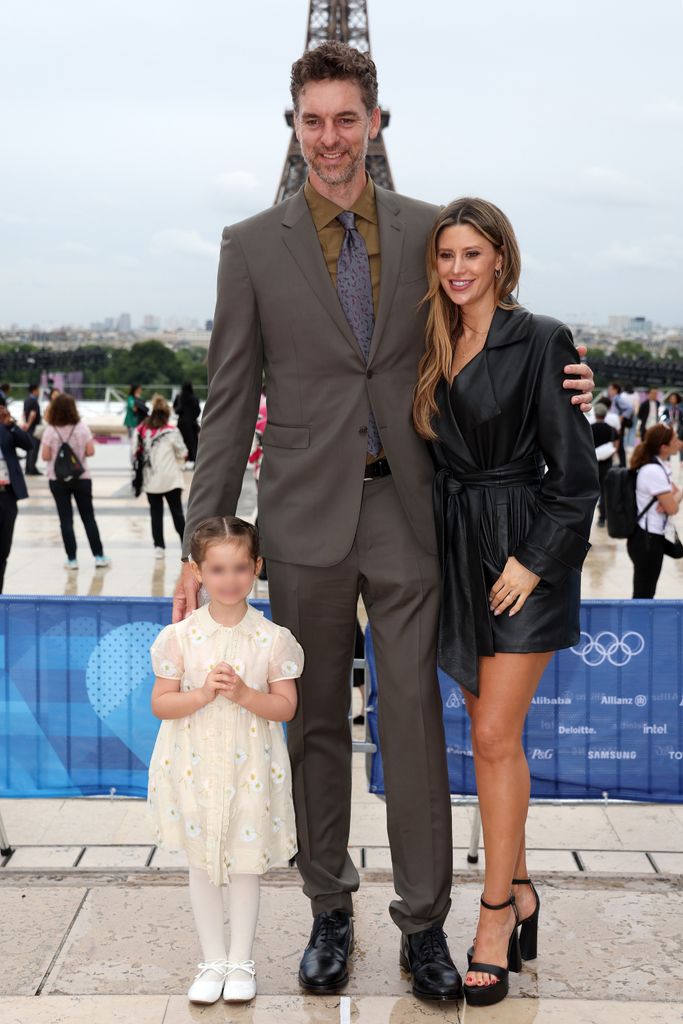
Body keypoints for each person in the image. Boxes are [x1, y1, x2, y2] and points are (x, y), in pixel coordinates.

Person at [172, 42, 595, 1001]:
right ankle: (329, 909)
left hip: (412, 512)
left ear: (374, 121)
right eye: (312, 120)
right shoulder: (249, 245)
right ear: (293, 126)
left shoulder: (423, 229)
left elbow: (492, 317)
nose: (329, 138)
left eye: (345, 118)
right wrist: (204, 539)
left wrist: (570, 375)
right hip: (302, 516)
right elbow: (230, 397)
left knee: (409, 721)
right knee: (313, 722)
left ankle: (422, 924)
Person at [414, 198, 599, 1006]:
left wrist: (533, 562)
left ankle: (492, 914)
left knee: (492, 736)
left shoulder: (542, 339)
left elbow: (579, 477)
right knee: (493, 741)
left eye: (471, 254)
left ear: (499, 258)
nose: (457, 268)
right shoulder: (428, 339)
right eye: (446, 255)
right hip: (454, 552)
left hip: (519, 552)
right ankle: (520, 887)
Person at [148, 516, 303, 1005]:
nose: (230, 579)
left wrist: (241, 693)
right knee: (201, 863)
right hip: (194, 767)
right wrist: (200, 695)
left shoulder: (272, 639)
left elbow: (285, 707)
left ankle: (241, 961)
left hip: (250, 771)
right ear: (198, 571)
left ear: (256, 567)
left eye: (240, 567)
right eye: (217, 569)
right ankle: (211, 959)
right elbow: (161, 703)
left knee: (244, 865)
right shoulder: (181, 637)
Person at [40, 393, 111, 570]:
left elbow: (45, 455)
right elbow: (90, 451)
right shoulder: (81, 427)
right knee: (88, 518)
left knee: (65, 520)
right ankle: (99, 556)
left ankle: (72, 559)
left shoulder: (50, 429)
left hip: (57, 479)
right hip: (82, 478)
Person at [626, 423, 682, 598]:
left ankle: (638, 625)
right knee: (643, 594)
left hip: (650, 538)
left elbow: (675, 495)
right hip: (647, 541)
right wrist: (674, 497)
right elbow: (673, 508)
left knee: (645, 591)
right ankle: (636, 626)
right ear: (663, 447)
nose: (679, 443)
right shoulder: (653, 471)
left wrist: (675, 495)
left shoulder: (658, 467)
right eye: (675, 440)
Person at [136, 394, 187, 558]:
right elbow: (183, 452)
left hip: (151, 479)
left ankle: (159, 547)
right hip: (171, 479)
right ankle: (184, 545)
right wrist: (180, 464)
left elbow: (134, 452)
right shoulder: (172, 431)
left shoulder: (142, 430)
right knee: (177, 513)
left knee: (155, 514)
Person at [0, 405, 33, 591]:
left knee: (3, 548)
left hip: (6, 494)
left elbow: (28, 445)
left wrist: (11, 425)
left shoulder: (7, 428)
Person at [591, 403, 619, 526]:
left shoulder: (589, 428)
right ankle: (602, 518)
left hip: (592, 464)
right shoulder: (611, 429)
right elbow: (616, 445)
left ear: (595, 414)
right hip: (607, 464)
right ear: (605, 414)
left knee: (591, 492)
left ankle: (587, 519)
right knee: (605, 491)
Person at [173, 381, 202, 465]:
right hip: (192, 423)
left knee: (181, 441)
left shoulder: (179, 397)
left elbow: (176, 410)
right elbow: (198, 410)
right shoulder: (194, 398)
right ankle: (192, 460)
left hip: (181, 423)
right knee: (192, 442)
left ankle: (182, 458)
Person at [607, 382, 632, 467]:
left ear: (616, 390)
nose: (609, 391)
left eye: (611, 389)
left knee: (619, 445)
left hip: (618, 425)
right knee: (619, 445)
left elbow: (629, 408)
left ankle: (623, 465)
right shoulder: (614, 399)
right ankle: (622, 464)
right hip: (615, 425)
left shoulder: (617, 399)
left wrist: (622, 417)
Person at [22, 383, 43, 475]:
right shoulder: (34, 401)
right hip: (33, 428)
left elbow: (24, 413)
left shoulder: (26, 400)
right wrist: (29, 424)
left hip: (28, 428)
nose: (39, 392)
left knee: (29, 449)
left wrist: (25, 424)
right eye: (38, 390)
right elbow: (33, 414)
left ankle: (28, 468)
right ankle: (32, 469)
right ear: (34, 390)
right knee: (34, 449)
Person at [661, 392, 683, 470]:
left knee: (680, 444)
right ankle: (667, 460)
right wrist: (667, 421)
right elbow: (662, 417)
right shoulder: (667, 408)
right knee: (668, 443)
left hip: (679, 428)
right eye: (671, 398)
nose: (672, 400)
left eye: (674, 398)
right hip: (670, 428)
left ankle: (681, 461)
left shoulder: (680, 408)